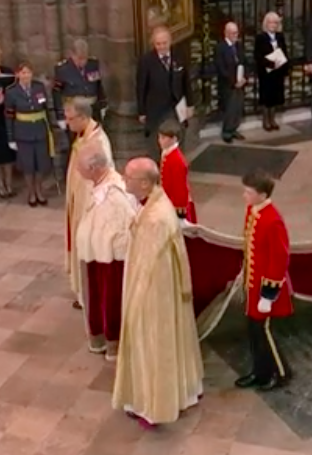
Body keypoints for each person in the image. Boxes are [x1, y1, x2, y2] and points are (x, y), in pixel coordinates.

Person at [113, 157, 203, 429]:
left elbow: (147, 264)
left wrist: (134, 304)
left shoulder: (155, 218)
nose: (123, 179)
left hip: (153, 291)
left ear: (144, 183)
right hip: (161, 285)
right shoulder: (155, 201)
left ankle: (152, 404)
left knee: (151, 343)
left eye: (128, 176)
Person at [75, 145, 136, 361]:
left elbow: (126, 225)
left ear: (93, 168)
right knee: (98, 298)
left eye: (80, 167)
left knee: (111, 302)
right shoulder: (99, 183)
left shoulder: (115, 192)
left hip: (111, 261)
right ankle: (101, 337)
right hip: (97, 256)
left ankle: (114, 342)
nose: (78, 171)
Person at [235, 170, 293, 391]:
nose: (244, 196)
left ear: (262, 195)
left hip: (266, 290)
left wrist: (268, 295)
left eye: (248, 192)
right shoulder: (253, 211)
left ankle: (281, 373)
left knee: (264, 333)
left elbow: (279, 260)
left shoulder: (273, 221)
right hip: (254, 285)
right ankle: (260, 372)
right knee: (254, 332)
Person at [64, 97, 114, 311]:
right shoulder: (82, 135)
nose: (67, 123)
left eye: (70, 119)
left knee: (88, 248)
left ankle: (90, 295)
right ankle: (82, 292)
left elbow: (102, 176)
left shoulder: (97, 141)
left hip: (89, 206)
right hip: (77, 203)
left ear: (83, 117)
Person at [136, 26, 193, 161]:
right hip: (156, 110)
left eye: (164, 43)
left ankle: (177, 165)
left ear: (170, 41)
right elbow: (141, 87)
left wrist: (190, 104)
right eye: (158, 44)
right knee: (158, 145)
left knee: (179, 139)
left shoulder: (179, 56)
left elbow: (186, 81)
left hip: (177, 107)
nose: (161, 47)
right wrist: (142, 111)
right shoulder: (146, 61)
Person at [4, 62, 54, 207]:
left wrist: (50, 128)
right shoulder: (11, 92)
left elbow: (45, 108)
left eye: (28, 72)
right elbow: (9, 116)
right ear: (17, 74)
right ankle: (31, 192)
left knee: (41, 164)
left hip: (40, 130)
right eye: (23, 73)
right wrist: (11, 137)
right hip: (23, 133)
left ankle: (39, 190)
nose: (26, 76)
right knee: (28, 165)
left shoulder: (39, 87)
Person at [52, 39, 108, 125]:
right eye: (79, 59)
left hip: (93, 110)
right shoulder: (62, 69)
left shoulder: (93, 64)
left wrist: (103, 104)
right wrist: (60, 116)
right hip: (74, 111)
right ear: (72, 55)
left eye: (85, 58)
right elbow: (57, 93)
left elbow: (98, 86)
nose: (83, 62)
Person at [254, 12, 289, 131]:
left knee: (275, 96)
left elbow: (285, 51)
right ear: (266, 24)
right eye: (270, 22)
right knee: (266, 97)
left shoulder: (280, 37)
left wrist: (284, 66)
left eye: (275, 23)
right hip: (266, 72)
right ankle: (266, 120)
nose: (273, 25)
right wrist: (270, 64)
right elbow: (258, 56)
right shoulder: (260, 38)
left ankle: (273, 119)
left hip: (278, 72)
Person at [158, 119, 197, 223]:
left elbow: (180, 186)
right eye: (159, 137)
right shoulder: (167, 153)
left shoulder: (177, 160)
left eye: (163, 138)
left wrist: (179, 208)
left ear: (174, 139)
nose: (159, 141)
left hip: (175, 204)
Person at [215, 22, 247, 143]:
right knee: (230, 108)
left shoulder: (239, 46)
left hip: (240, 82)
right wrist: (233, 82)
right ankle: (227, 131)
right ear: (226, 33)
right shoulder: (220, 47)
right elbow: (221, 68)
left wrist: (244, 78)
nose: (236, 35)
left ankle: (234, 128)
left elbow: (244, 62)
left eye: (237, 33)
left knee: (238, 107)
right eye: (233, 33)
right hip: (228, 84)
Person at [0, 47, 15, 198]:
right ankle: (0, 185)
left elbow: (15, 91)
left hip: (5, 118)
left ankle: (9, 184)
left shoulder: (7, 72)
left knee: (7, 153)